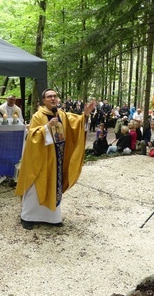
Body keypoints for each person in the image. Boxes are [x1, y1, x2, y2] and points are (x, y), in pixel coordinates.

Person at [15, 89, 95, 230]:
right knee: (35, 187)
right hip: (40, 159)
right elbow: (32, 136)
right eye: (49, 96)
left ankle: (52, 218)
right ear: (43, 100)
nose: (53, 99)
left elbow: (76, 123)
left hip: (57, 160)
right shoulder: (37, 116)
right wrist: (46, 127)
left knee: (53, 185)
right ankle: (28, 217)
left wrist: (86, 114)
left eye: (54, 96)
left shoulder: (62, 115)